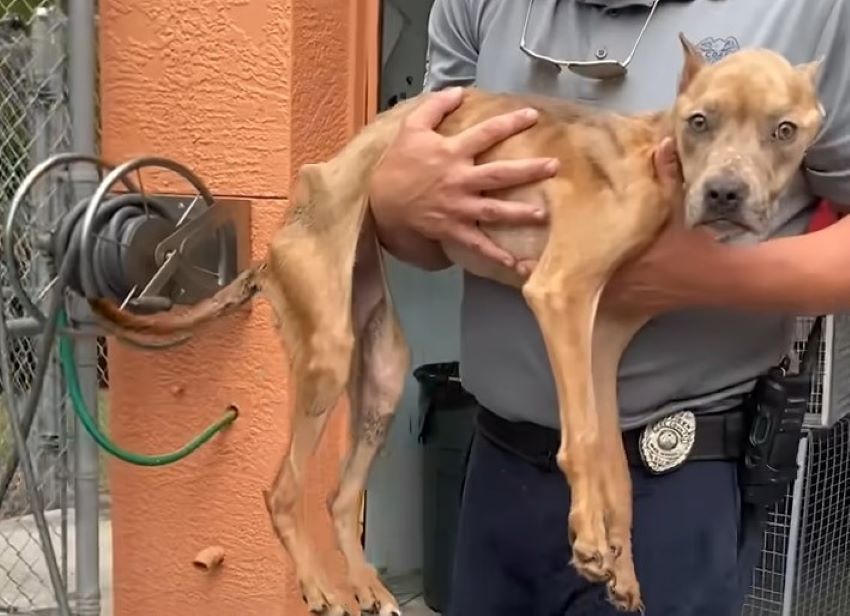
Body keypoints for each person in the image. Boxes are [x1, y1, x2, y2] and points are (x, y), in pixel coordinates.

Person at [369, 1, 850, 614]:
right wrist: (396, 207)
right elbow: (435, 235)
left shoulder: (818, 11)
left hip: (680, 476)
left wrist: (702, 278)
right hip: (495, 464)